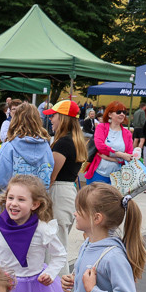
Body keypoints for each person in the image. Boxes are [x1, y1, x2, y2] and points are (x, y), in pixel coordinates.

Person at [45, 100, 87, 267]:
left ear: (62, 118)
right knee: (57, 247)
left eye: (54, 116)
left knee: (54, 251)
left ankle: (60, 291)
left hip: (58, 193)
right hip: (67, 191)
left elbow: (51, 176)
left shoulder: (63, 142)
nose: (51, 120)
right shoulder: (74, 140)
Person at [0, 103, 54, 192]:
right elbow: (48, 173)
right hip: (37, 199)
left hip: (11, 199)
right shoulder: (46, 147)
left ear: (15, 119)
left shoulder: (9, 146)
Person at [84, 101, 136, 185]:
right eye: (118, 112)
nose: (122, 114)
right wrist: (121, 154)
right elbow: (100, 147)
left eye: (124, 112)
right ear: (110, 114)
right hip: (98, 173)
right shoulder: (101, 127)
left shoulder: (127, 133)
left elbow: (128, 156)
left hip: (117, 177)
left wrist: (110, 158)